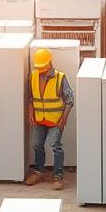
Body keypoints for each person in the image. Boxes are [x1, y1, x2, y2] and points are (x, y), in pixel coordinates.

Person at [25, 48, 74, 190]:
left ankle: (58, 176)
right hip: (39, 119)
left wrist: (64, 119)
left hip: (55, 120)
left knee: (55, 146)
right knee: (36, 145)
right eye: (39, 67)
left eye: (43, 67)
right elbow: (30, 97)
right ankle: (39, 172)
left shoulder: (60, 77)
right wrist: (31, 114)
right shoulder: (33, 76)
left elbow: (70, 100)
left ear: (50, 63)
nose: (41, 70)